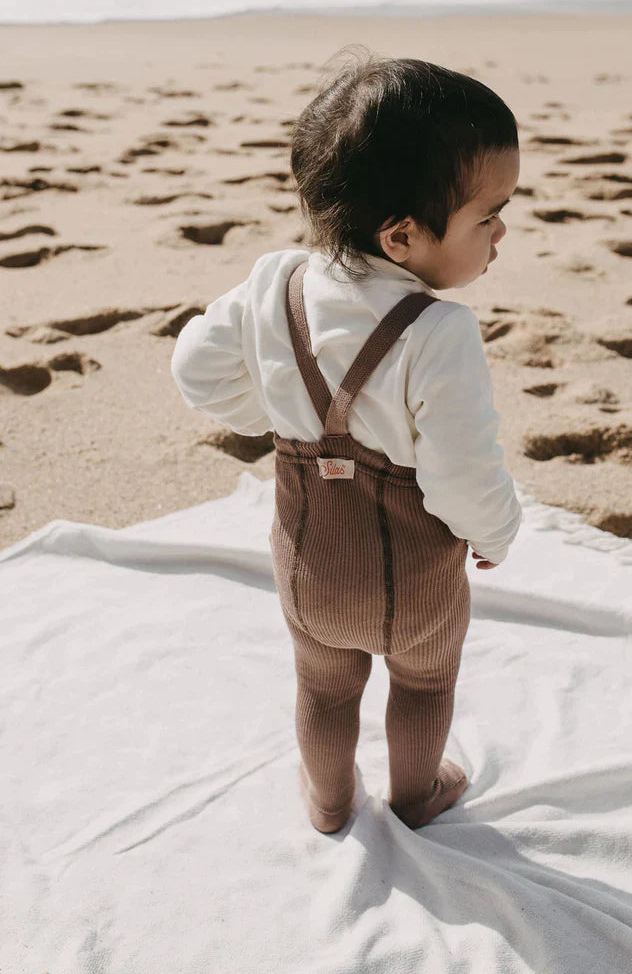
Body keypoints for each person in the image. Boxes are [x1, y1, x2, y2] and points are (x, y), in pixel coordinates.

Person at [170, 48, 523, 835]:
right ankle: (416, 793)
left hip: (308, 562)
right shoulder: (440, 331)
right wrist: (495, 532)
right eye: (488, 215)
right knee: (424, 685)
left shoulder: (275, 283)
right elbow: (464, 469)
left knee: (323, 688)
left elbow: (195, 367)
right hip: (416, 577)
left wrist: (263, 408)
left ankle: (330, 803)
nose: (503, 232)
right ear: (402, 237)